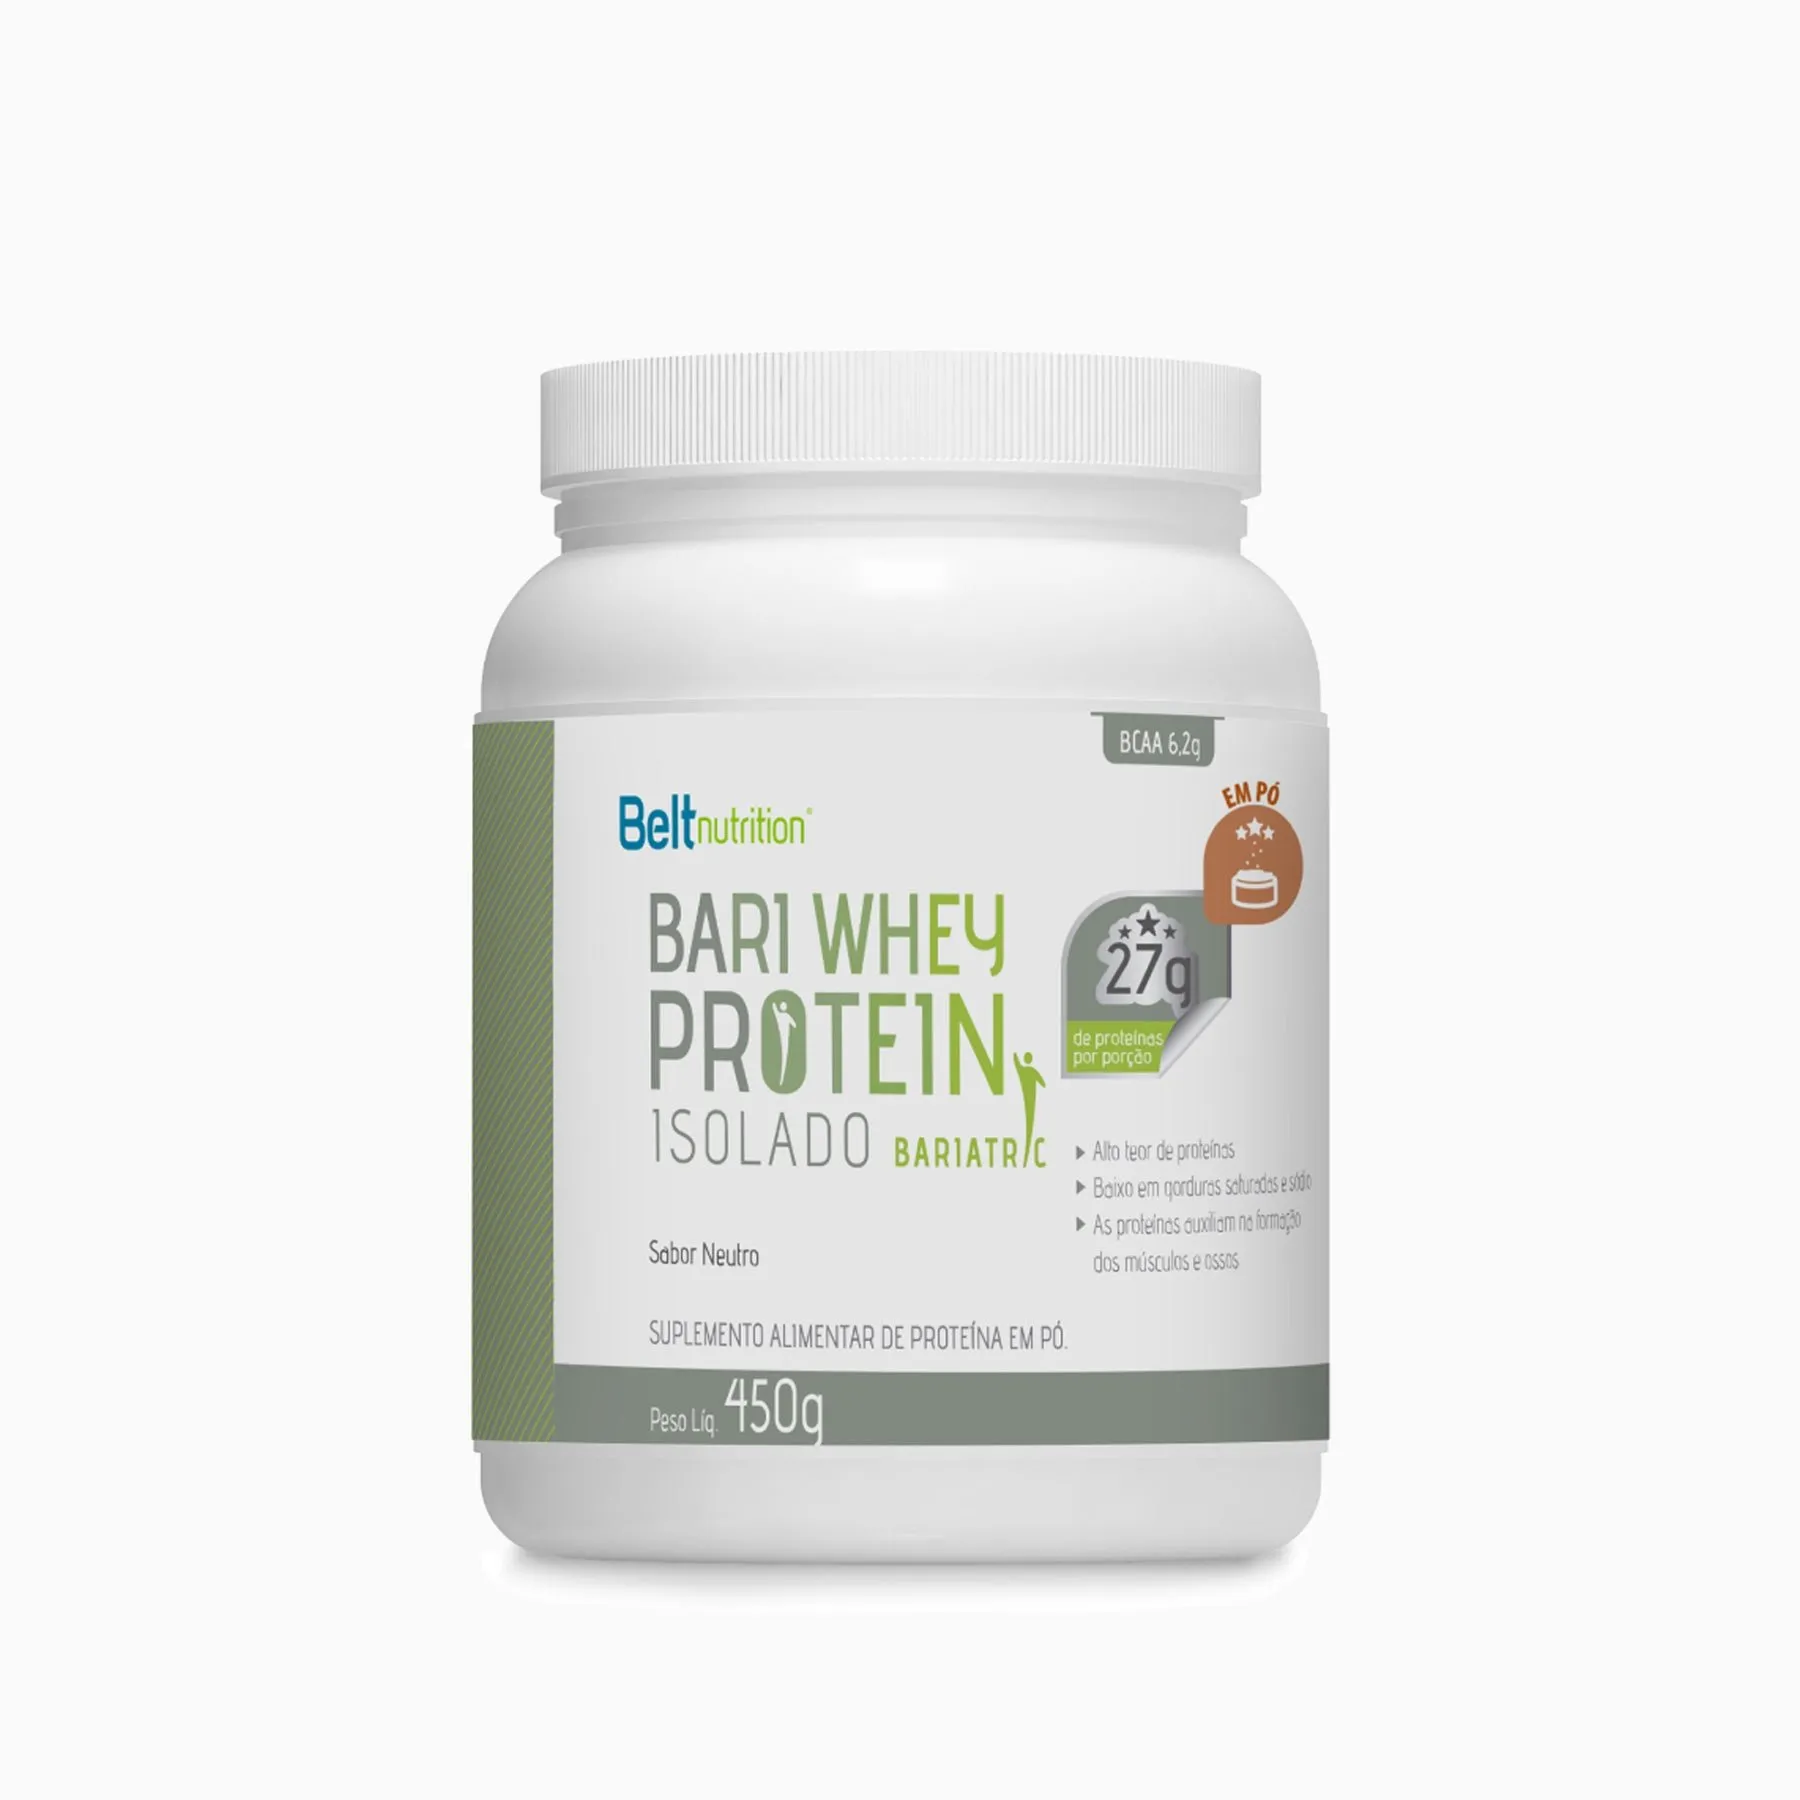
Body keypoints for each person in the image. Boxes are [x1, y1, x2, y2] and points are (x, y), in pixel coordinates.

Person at [1013, 1049, 1046, 1164]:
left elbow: (1017, 1064)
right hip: (1031, 1099)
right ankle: (1027, 1152)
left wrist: (1015, 1056)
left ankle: (1026, 1153)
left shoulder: (1024, 1070)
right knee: (1030, 1121)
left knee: (1029, 1122)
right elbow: (1043, 1084)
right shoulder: (1033, 1071)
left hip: (1028, 1099)